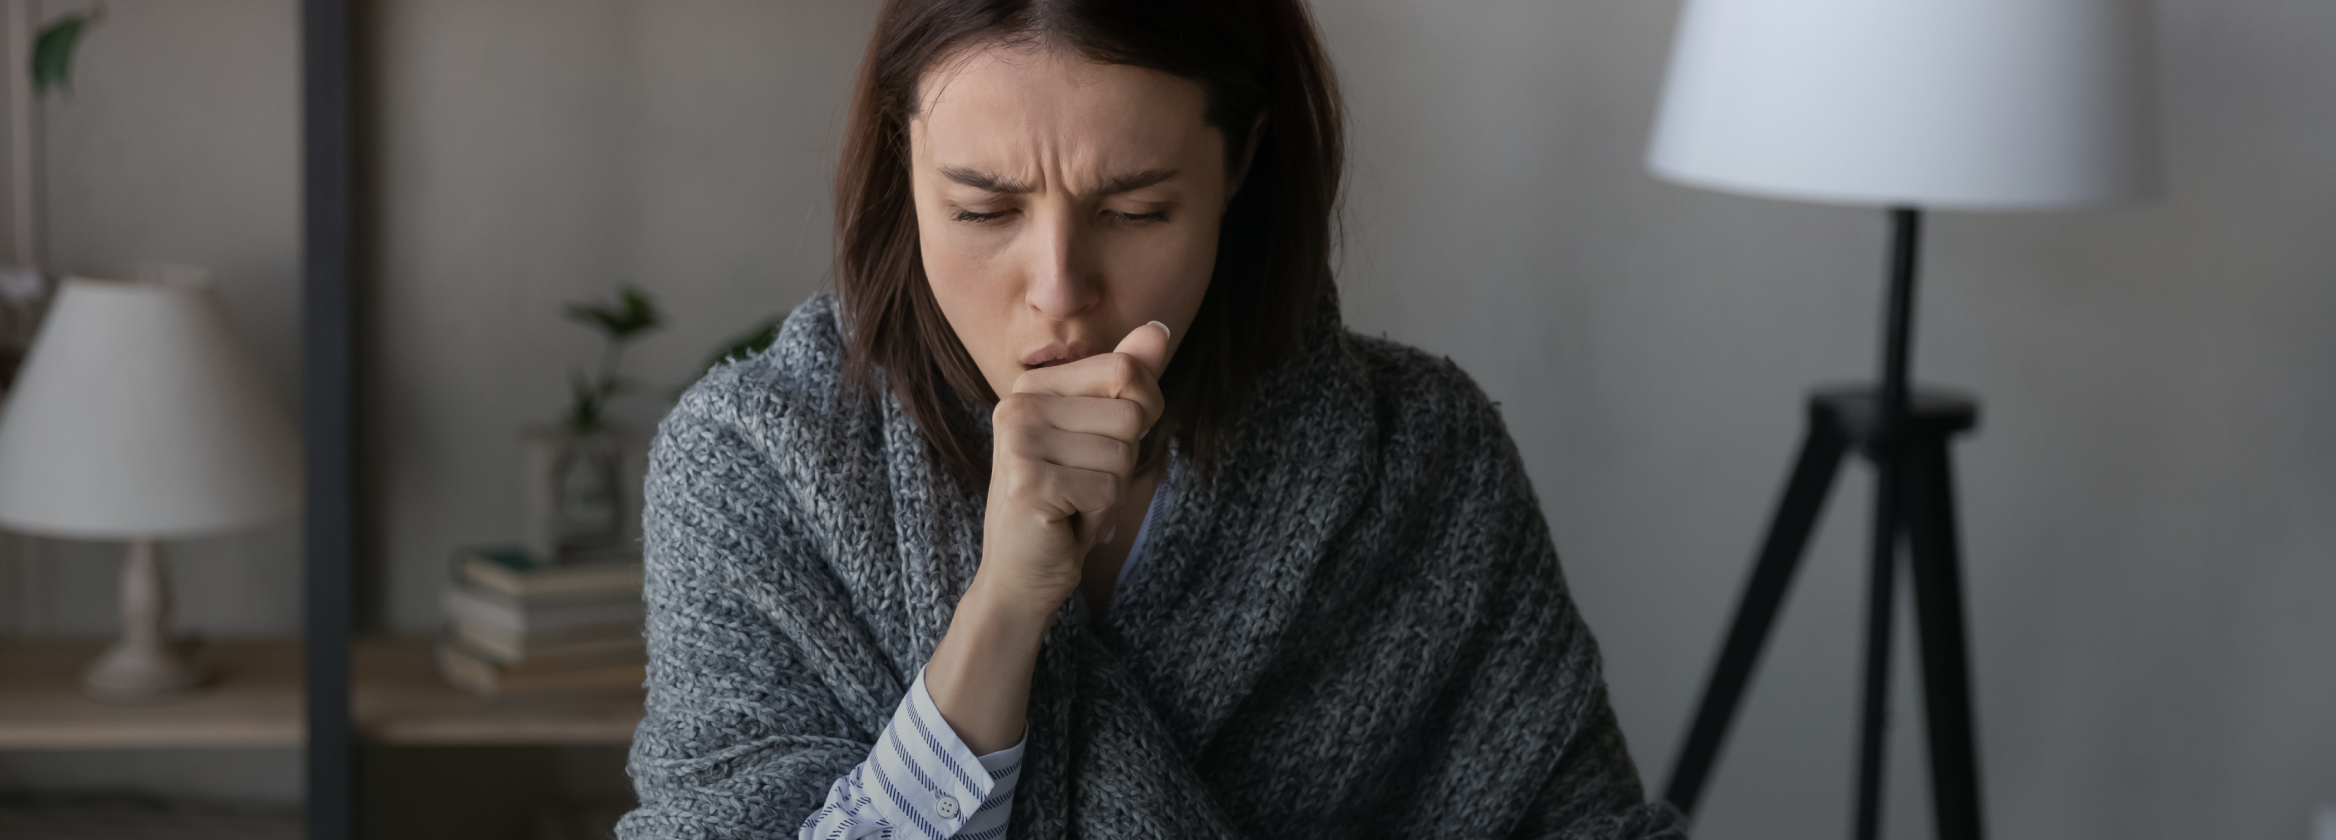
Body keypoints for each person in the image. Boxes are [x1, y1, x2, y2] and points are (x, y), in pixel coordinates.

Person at [619, 1, 1686, 837]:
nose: (1058, 289)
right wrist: (1002, 611)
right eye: (983, 209)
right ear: (904, 159)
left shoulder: (1422, 459)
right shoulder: (750, 465)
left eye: (1136, 211)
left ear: (1242, 163)